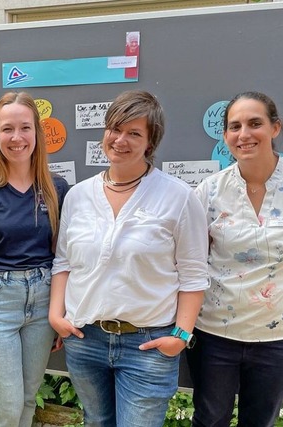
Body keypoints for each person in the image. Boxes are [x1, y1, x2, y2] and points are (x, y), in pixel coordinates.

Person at [48, 90, 209, 427]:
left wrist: (180, 336)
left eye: (134, 133)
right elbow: (63, 261)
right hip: (86, 340)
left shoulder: (178, 197)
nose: (120, 140)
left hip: (147, 344)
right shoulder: (78, 196)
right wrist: (56, 315)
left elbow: (193, 276)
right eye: (115, 129)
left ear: (150, 143)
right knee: (96, 421)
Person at [0, 91, 69, 427]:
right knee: (5, 406)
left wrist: (58, 310)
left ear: (37, 133)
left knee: (27, 399)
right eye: (7, 129)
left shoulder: (56, 188)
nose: (16, 138)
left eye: (25, 128)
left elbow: (61, 257)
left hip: (43, 299)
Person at [188, 91, 283, 427]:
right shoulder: (208, 191)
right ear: (225, 136)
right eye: (234, 126)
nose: (244, 134)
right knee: (209, 419)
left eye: (255, 123)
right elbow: (191, 261)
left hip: (281, 337)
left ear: (275, 128)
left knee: (260, 421)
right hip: (214, 334)